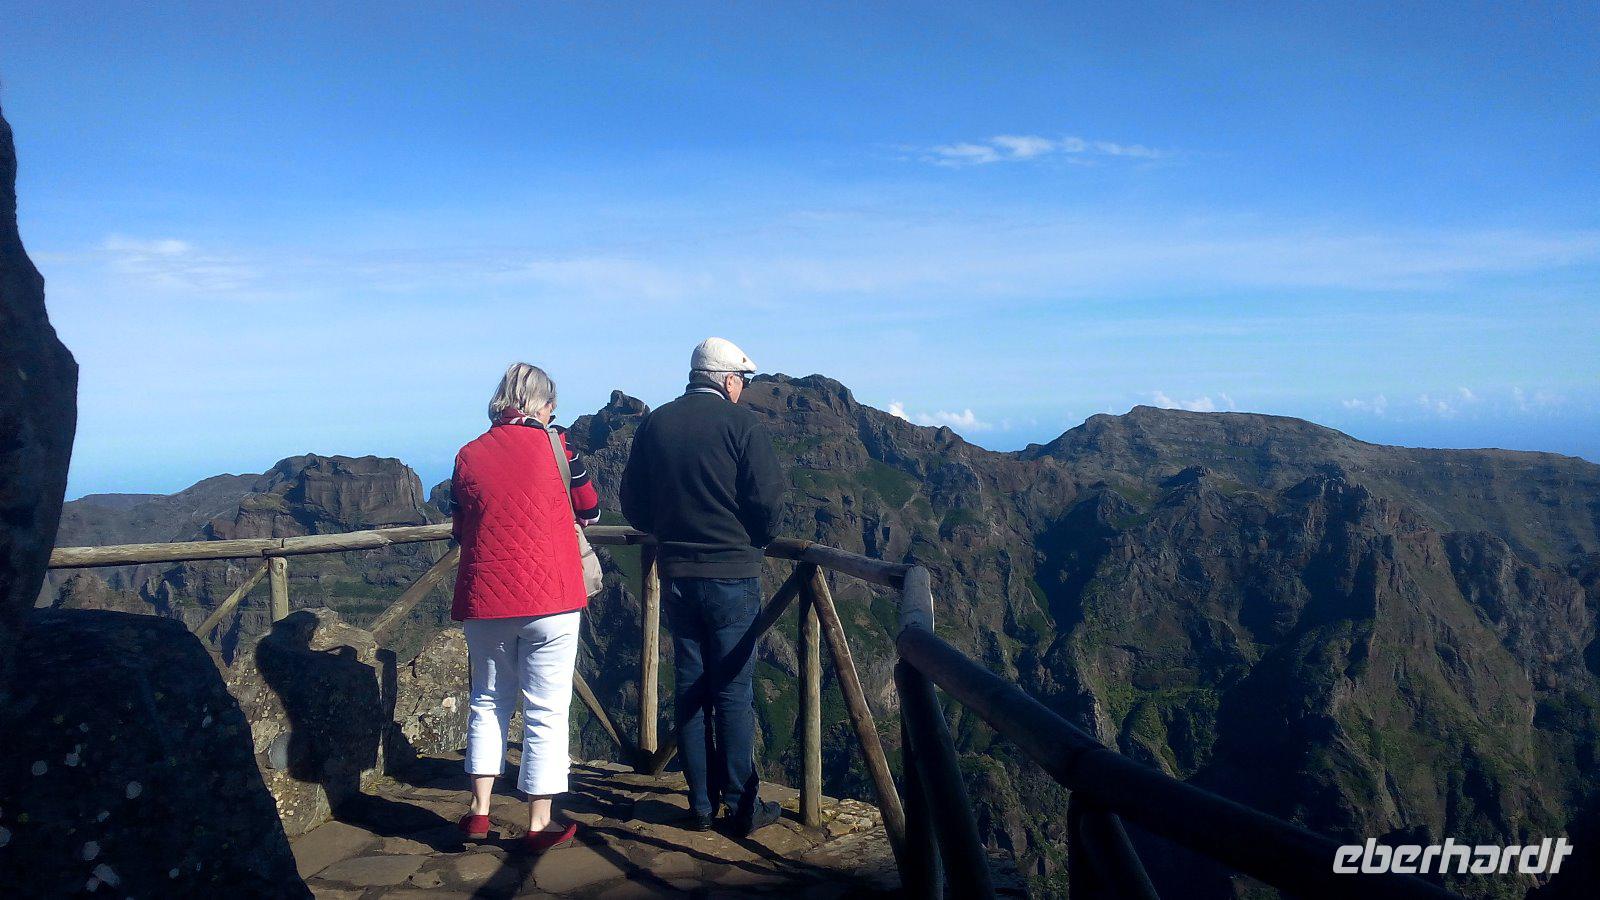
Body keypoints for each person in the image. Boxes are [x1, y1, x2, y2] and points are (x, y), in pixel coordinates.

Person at [620, 337, 787, 835]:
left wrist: (666, 532)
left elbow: (632, 500)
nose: (744, 390)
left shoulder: (656, 423)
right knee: (733, 691)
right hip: (733, 575)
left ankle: (697, 804)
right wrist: (753, 540)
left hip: (676, 575)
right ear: (728, 380)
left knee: (690, 685)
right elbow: (768, 503)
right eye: (744, 381)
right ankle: (740, 806)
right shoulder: (743, 425)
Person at [449, 362, 601, 851]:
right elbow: (591, 508)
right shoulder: (559, 447)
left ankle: (479, 812)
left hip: (487, 595)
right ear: (542, 405)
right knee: (546, 709)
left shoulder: (468, 455)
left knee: (488, 701)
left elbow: (460, 525)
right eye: (553, 404)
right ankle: (538, 824)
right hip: (552, 598)